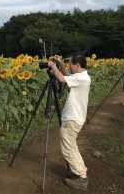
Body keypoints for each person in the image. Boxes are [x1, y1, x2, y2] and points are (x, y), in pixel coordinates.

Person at [47, 54, 91, 190]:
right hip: (75, 118)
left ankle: (81, 178)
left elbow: (61, 78)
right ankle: (79, 171)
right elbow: (67, 77)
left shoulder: (82, 79)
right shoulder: (82, 77)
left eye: (71, 64)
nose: (69, 66)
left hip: (72, 119)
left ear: (78, 65)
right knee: (72, 147)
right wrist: (60, 63)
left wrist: (53, 66)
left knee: (68, 149)